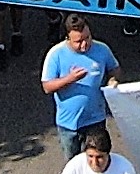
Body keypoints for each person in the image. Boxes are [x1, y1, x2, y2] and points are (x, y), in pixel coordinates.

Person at [42, 21, 123, 157]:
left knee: (98, 161)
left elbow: (114, 69)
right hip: (69, 124)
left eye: (87, 38)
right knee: (74, 165)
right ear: (67, 38)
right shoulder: (56, 54)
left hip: (95, 120)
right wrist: (70, 79)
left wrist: (112, 80)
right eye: (78, 41)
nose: (84, 44)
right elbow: (47, 87)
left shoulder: (102, 49)